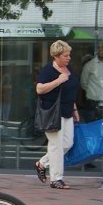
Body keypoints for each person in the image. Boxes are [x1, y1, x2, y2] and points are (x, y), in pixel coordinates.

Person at [34, 39, 80, 189]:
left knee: (67, 143)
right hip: (53, 112)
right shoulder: (48, 70)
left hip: (67, 111)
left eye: (69, 55)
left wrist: (74, 110)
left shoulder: (69, 69)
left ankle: (42, 163)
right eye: (66, 55)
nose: (69, 58)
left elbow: (70, 92)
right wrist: (59, 80)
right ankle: (56, 179)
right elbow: (39, 89)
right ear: (57, 56)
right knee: (56, 145)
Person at [80, 44, 103, 121]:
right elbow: (83, 83)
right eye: (99, 47)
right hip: (92, 104)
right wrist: (93, 93)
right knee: (91, 129)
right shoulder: (89, 65)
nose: (100, 49)